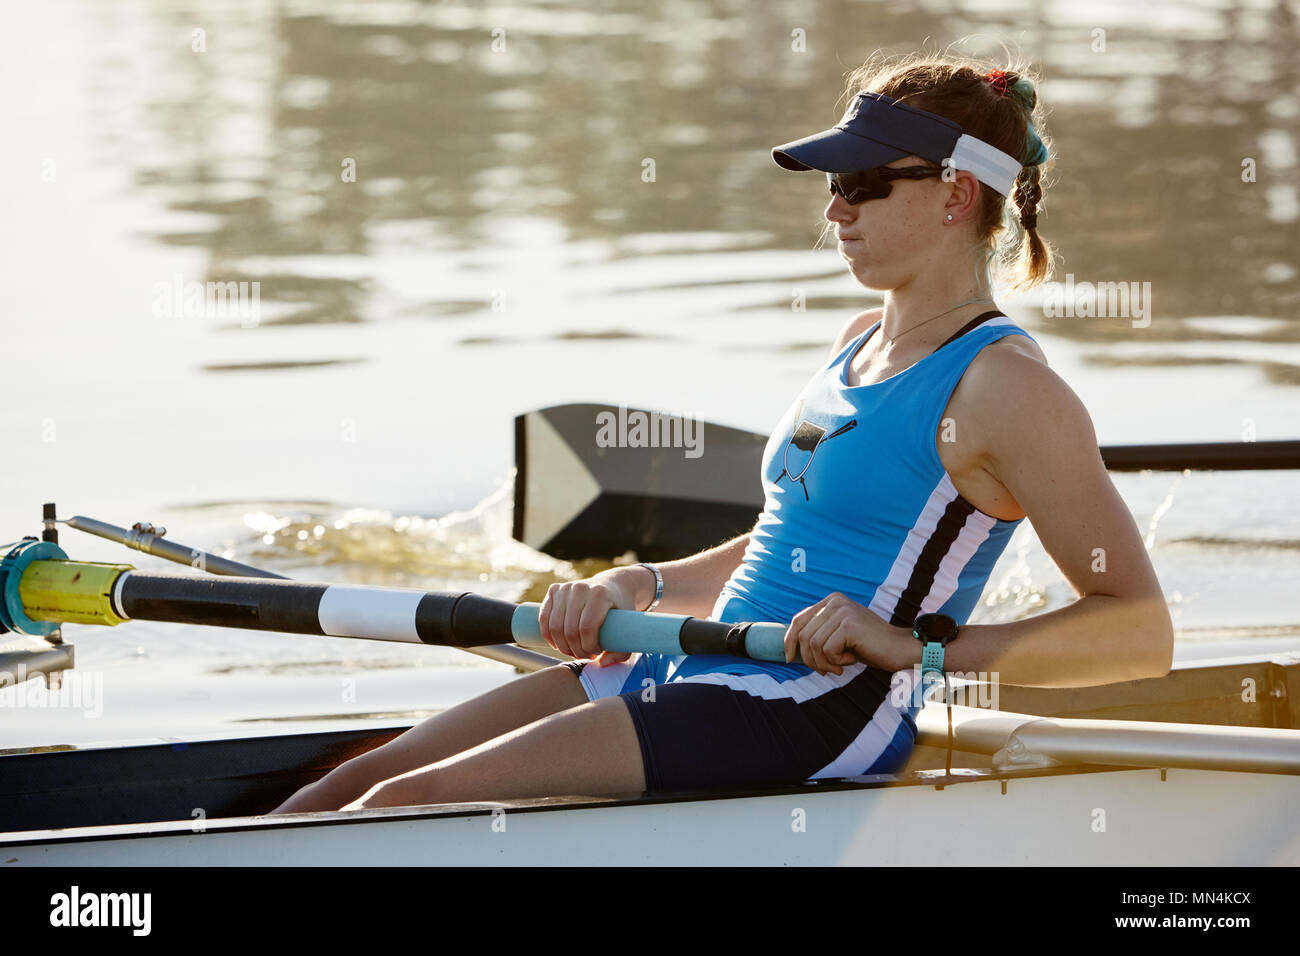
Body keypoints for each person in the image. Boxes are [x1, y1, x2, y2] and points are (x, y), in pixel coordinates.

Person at [269, 55, 1173, 815]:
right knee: (338, 791)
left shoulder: (1009, 389)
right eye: (833, 184)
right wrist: (645, 583)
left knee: (393, 814)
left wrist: (918, 649)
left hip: (821, 708)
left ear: (954, 195)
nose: (834, 212)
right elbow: (792, 540)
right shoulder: (859, 341)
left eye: (862, 184)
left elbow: (1138, 633)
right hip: (707, 663)